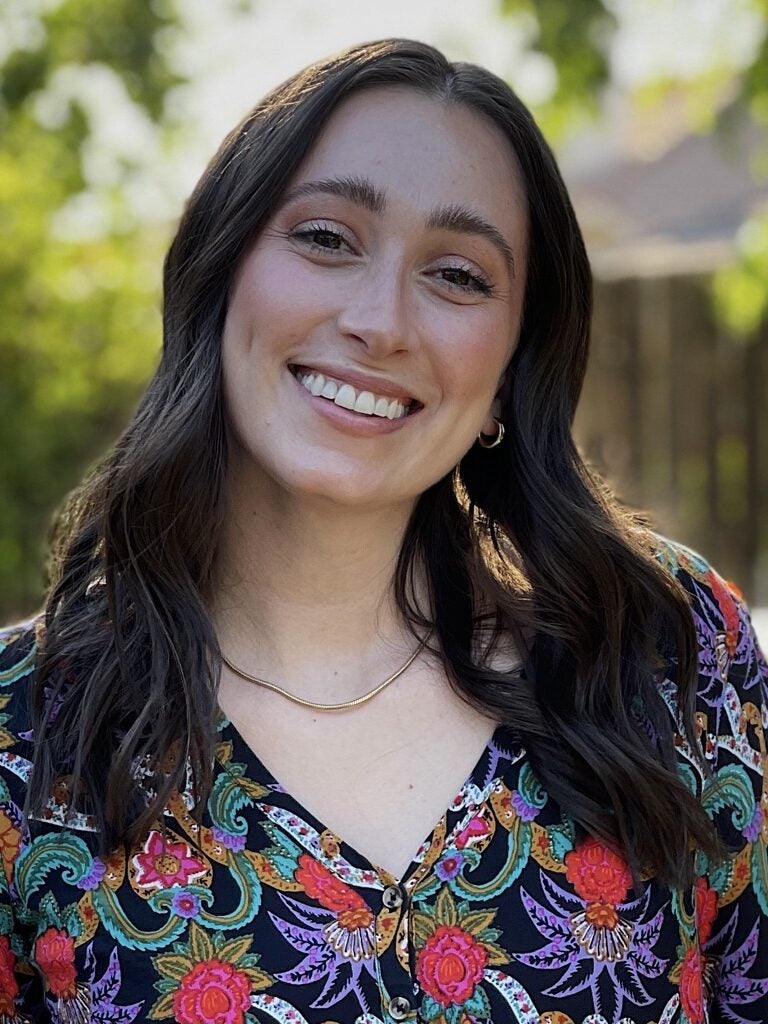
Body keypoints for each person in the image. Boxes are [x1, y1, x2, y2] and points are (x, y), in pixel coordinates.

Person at [0, 37, 765, 1024]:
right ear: (219, 274)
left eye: (457, 274)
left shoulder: (664, 651)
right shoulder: (22, 737)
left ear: (508, 372)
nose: (381, 321)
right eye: (326, 238)